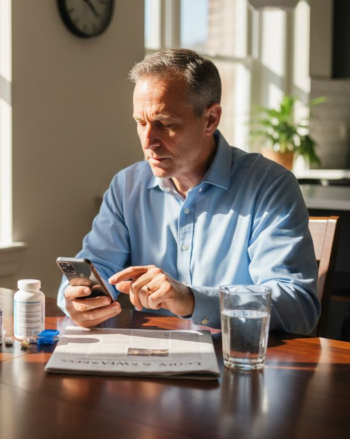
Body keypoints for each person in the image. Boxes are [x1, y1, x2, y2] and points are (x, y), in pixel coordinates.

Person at [57, 48, 319, 335]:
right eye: (140, 123)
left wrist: (192, 299)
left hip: (236, 363)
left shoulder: (270, 186)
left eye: (165, 124)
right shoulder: (126, 186)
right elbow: (95, 268)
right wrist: (79, 300)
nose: (148, 141)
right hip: (144, 364)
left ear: (210, 119)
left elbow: (298, 307)